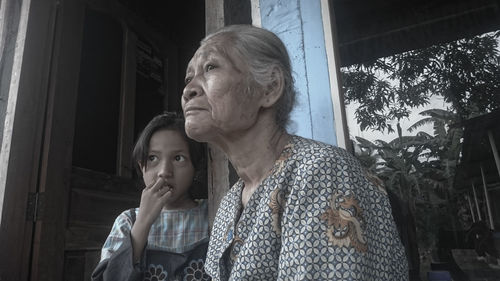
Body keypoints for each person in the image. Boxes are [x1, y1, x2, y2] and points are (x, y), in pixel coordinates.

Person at [182, 24, 409, 280]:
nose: (189, 89)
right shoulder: (230, 203)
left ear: (269, 88)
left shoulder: (320, 171)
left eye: (210, 67)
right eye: (188, 77)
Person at [92, 113, 211, 281]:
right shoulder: (128, 221)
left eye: (178, 158)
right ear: (142, 167)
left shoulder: (213, 214)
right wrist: (143, 223)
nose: (164, 172)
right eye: (153, 158)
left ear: (195, 168)